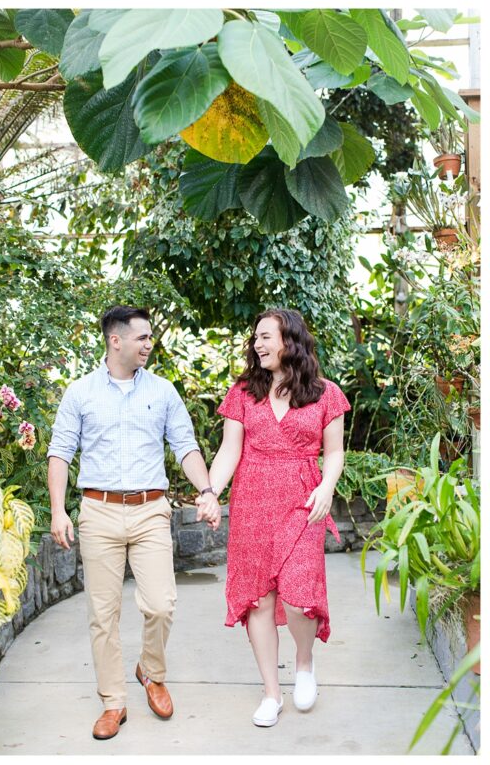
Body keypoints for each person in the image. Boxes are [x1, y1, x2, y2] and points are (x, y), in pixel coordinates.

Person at [47, 305, 221, 741]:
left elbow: (186, 445)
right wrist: (56, 510)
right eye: (142, 337)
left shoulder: (162, 392)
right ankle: (113, 701)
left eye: (149, 337)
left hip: (150, 510)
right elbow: (60, 453)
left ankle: (151, 670)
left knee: (161, 604)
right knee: (102, 614)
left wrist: (206, 491)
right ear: (116, 340)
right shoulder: (81, 393)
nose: (149, 344)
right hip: (98, 511)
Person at [201, 308, 349, 727]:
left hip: (305, 500)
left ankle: (304, 664)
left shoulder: (324, 393)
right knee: (259, 599)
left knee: (300, 595)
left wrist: (326, 487)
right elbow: (230, 451)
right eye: (256, 338)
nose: (258, 344)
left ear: (291, 340)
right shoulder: (244, 391)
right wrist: (211, 492)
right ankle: (271, 692)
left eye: (266, 337)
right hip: (252, 502)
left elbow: (334, 453)